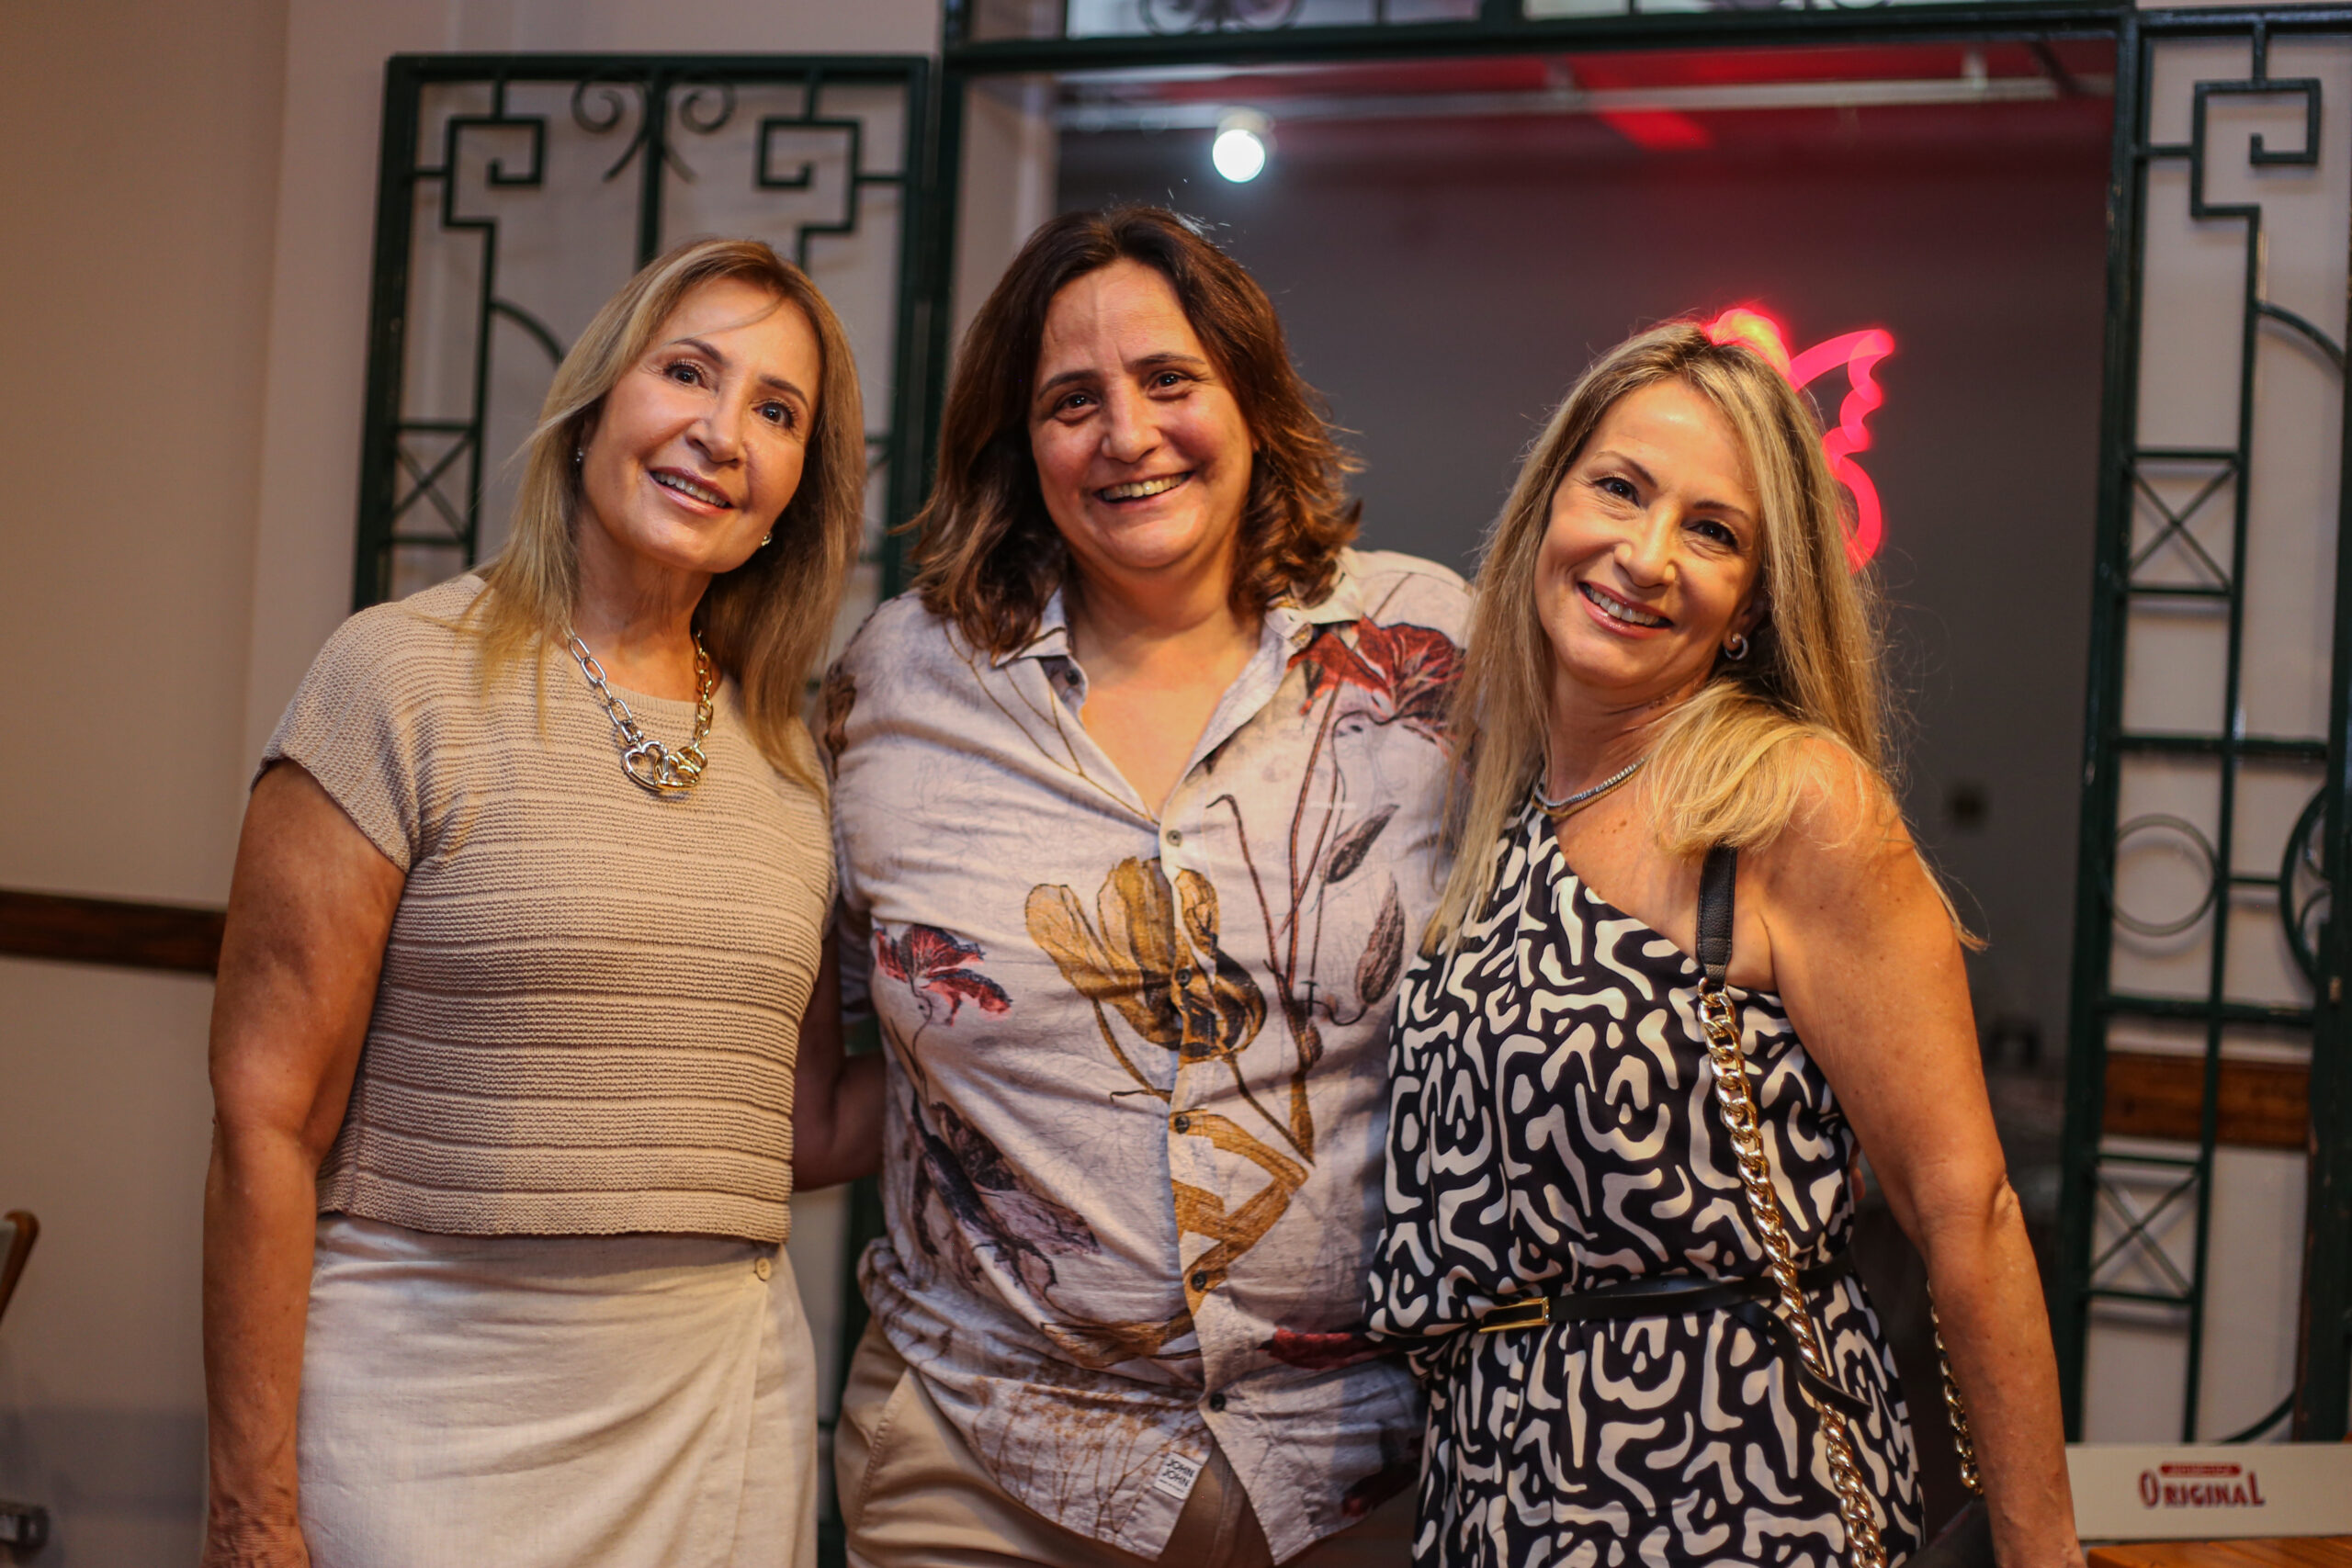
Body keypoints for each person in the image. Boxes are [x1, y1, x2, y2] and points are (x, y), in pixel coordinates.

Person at [199, 237, 877, 1568]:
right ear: (594, 405)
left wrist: (1048, 1053)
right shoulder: (396, 678)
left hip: (718, 1414)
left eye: (777, 411)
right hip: (427, 1409)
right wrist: (250, 1513)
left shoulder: (790, 761)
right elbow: (262, 1123)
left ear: (796, 492)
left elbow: (797, 1129)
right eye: (688, 371)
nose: (721, 432)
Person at [1369, 321, 2081, 1568]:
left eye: (1711, 532)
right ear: (1548, 505)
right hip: (1499, 1491)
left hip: (1732, 1485)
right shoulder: (1497, 807)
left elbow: (1963, 1207)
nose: (1646, 557)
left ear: (1752, 599)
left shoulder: (1788, 801)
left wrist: (2041, 1551)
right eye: (1619, 489)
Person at [820, 206, 1467, 1568]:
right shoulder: (899, 681)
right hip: (990, 1455)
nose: (1128, 434)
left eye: (1171, 380)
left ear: (1251, 401)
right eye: (1072, 401)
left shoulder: (1428, 648)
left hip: (1367, 1468)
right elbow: (798, 1012)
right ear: (1019, 443)